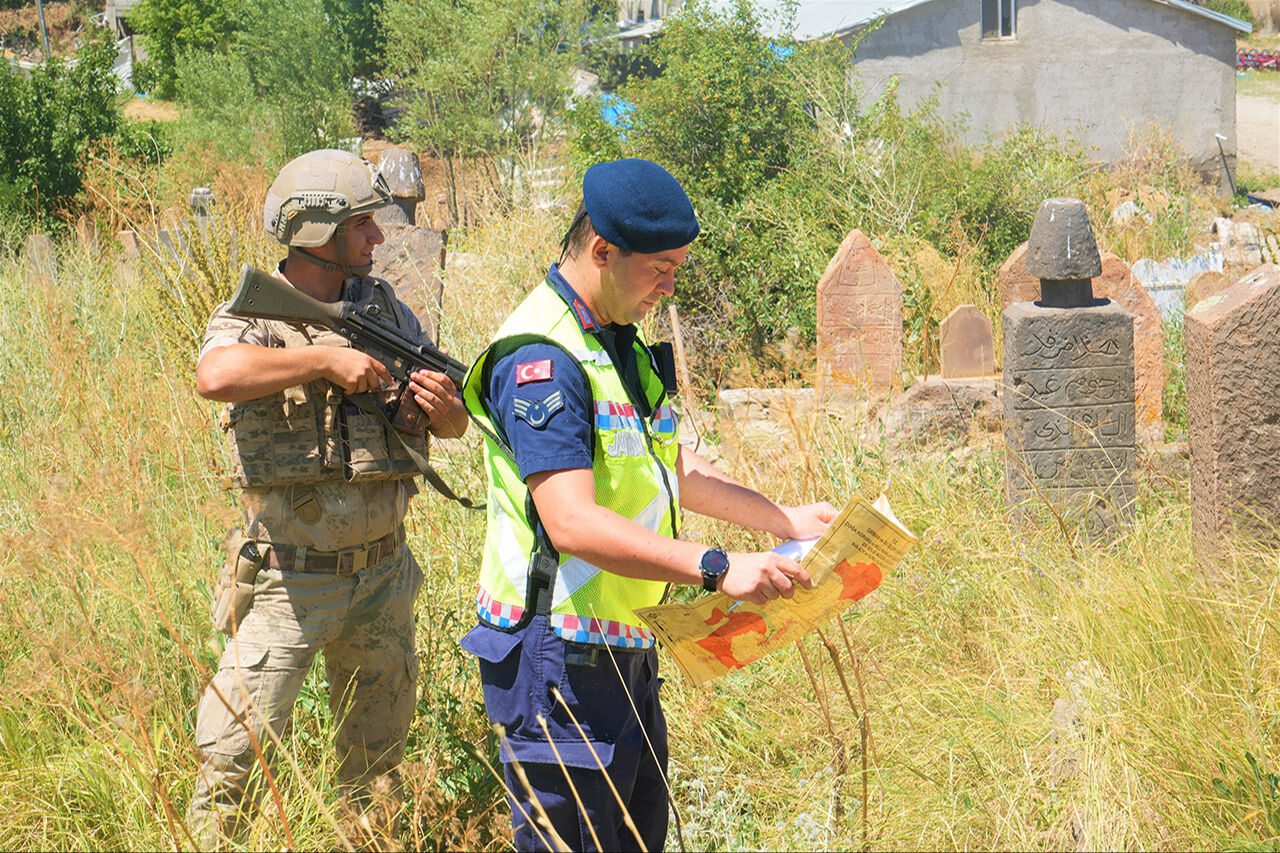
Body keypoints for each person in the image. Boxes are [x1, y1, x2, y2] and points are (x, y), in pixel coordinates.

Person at [459, 158, 837, 852]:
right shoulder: (543, 356)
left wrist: (782, 519)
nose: (670, 287)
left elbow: (666, 465)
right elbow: (568, 519)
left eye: (678, 269)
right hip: (559, 659)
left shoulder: (611, 340)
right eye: (661, 268)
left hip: (621, 648)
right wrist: (718, 566)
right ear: (602, 250)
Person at [188, 148, 468, 846]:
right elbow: (216, 374)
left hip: (382, 574)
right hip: (290, 578)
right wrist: (322, 358)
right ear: (320, 233)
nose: (378, 238)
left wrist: (437, 408)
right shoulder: (255, 318)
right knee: (231, 761)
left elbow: (458, 422)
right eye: (363, 225)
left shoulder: (385, 308)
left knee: (376, 770)